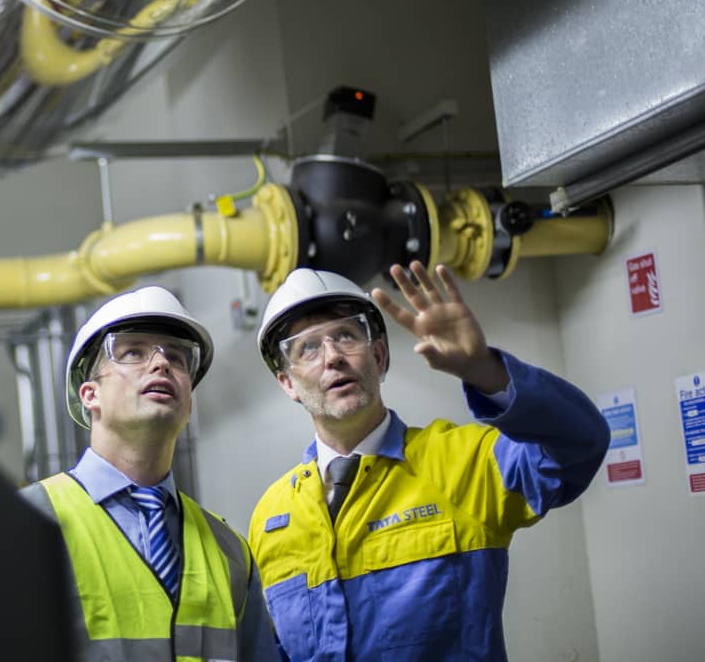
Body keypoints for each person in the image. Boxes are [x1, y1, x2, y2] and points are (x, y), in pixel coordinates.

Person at [248, 261, 609, 662]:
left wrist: (485, 372)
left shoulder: (464, 462)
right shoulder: (272, 516)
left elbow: (579, 443)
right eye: (307, 347)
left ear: (379, 356)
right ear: (288, 383)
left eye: (346, 335)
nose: (332, 356)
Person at [21, 285, 282, 661]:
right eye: (133, 352)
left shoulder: (229, 551)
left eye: (176, 358)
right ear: (89, 394)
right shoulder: (28, 522)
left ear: (189, 401)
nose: (161, 364)